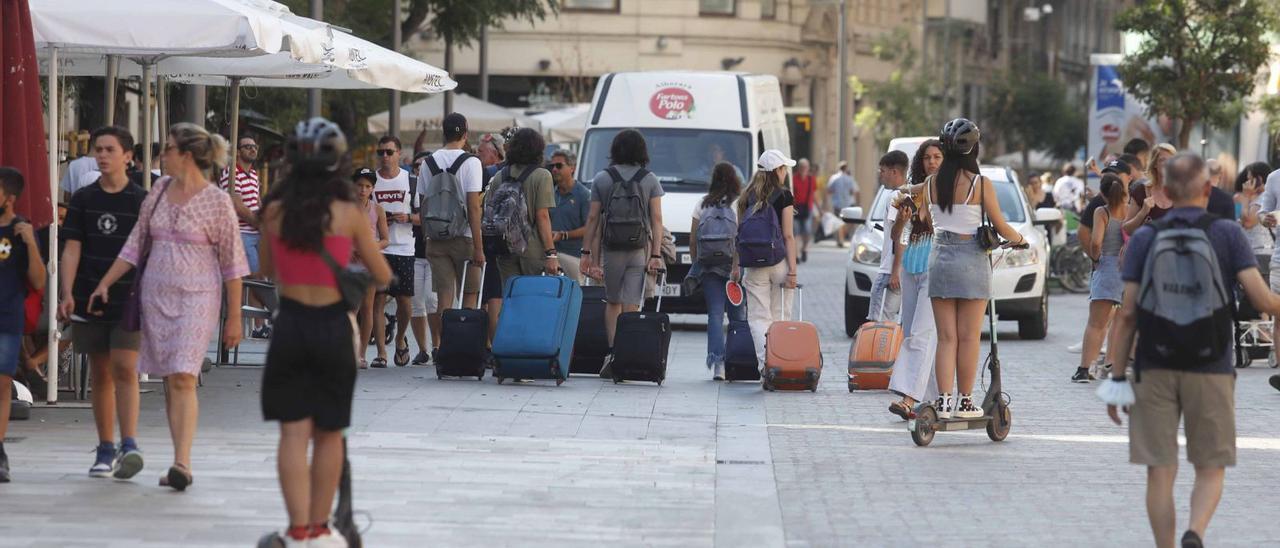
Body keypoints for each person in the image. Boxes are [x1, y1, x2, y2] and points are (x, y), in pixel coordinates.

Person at [1100, 152, 1280, 548]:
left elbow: (1127, 315)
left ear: (1163, 189)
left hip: (1155, 365)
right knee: (1211, 465)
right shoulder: (1227, 234)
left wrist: (1116, 380)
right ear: (1207, 188)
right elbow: (1263, 300)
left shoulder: (1146, 238)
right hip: (1211, 364)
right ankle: (1195, 532)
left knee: (1159, 472)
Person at [256, 118, 392, 547]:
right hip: (334, 325)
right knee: (330, 431)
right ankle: (319, 529)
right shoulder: (350, 213)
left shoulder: (275, 212)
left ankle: (296, 530)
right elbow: (383, 274)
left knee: (293, 432)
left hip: (292, 325)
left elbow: (267, 271)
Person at [90, 122, 248, 491]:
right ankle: (177, 457)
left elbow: (234, 264)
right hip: (156, 298)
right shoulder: (159, 190)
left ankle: (183, 462)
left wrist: (236, 317)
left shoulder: (217, 201)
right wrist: (105, 283)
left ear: (187, 155)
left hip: (198, 298)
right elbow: (135, 244)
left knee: (182, 375)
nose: (163, 155)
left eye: (168, 149)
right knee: (170, 378)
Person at [58, 126, 148, 479]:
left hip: (128, 297)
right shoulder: (83, 199)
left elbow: (144, 250)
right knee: (99, 372)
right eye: (98, 149)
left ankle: (130, 443)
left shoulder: (140, 199)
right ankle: (105, 446)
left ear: (128, 155)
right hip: (87, 293)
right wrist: (66, 292)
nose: (102, 155)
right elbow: (72, 247)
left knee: (125, 366)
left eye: (110, 149)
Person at [924, 119, 1024, 419]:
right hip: (971, 260)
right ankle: (966, 401)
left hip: (940, 257)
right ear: (973, 149)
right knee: (968, 337)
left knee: (946, 338)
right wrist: (1020, 239)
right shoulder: (980, 185)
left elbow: (932, 224)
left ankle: (942, 401)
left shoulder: (931, 183)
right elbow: (1001, 225)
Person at [580, 129, 665, 377]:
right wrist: (656, 254)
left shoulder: (602, 178)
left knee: (613, 301)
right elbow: (657, 219)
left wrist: (587, 253)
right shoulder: (650, 179)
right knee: (631, 303)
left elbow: (593, 218)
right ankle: (629, 352)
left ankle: (612, 351)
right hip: (638, 249)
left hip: (611, 249)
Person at [885, 139, 942, 419]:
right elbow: (899, 237)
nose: (932, 162)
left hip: (937, 270)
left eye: (937, 157)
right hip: (911, 268)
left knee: (922, 333)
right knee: (913, 334)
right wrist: (902, 219)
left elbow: (946, 231)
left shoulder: (948, 192)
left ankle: (908, 398)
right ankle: (932, 401)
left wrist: (926, 212)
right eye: (927, 157)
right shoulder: (909, 194)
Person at [0, 167, 47, 483]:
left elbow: (38, 280)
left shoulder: (20, 230)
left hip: (7, 317)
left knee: (2, 384)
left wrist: (30, 244)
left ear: (10, 197)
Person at [419, 113, 485, 333]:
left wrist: (427, 237)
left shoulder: (428, 162)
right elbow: (474, 207)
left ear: (443, 133)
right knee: (469, 295)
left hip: (436, 239)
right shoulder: (471, 162)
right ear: (465, 134)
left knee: (444, 297)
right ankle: (463, 345)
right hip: (464, 237)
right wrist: (479, 247)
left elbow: (423, 203)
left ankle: (445, 346)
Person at [736, 150, 799, 368]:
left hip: (753, 265)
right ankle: (780, 364)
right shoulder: (784, 196)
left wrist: (736, 266)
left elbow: (738, 234)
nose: (785, 173)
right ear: (778, 171)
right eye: (784, 169)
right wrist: (793, 270)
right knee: (780, 315)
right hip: (779, 262)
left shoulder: (745, 197)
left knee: (758, 317)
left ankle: (766, 366)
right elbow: (789, 235)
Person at [1071, 174, 1128, 384]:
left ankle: (1084, 369)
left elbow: (1095, 242)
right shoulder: (1131, 209)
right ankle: (1114, 366)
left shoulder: (1102, 212)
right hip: (1129, 270)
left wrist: (1095, 258)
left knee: (1096, 324)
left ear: (1103, 194)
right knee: (1121, 322)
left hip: (1108, 269)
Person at [689, 163, 743, 380]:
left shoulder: (702, 204)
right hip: (734, 268)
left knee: (715, 315)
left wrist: (697, 264)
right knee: (738, 316)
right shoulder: (739, 204)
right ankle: (738, 359)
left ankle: (718, 363)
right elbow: (741, 238)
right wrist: (737, 266)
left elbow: (693, 239)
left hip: (710, 267)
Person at [485, 128, 559, 284]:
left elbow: (489, 211)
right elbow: (542, 216)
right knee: (532, 297)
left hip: (504, 247)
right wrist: (551, 253)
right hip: (532, 249)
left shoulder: (500, 176)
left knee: (511, 296)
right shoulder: (542, 175)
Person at [369, 135, 416, 368]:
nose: (385, 157)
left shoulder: (411, 180)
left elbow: (423, 217)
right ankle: (380, 353)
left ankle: (399, 339)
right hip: (378, 248)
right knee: (377, 300)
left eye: (389, 152)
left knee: (405, 302)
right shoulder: (371, 182)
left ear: (399, 153)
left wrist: (407, 217)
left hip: (405, 247)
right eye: (381, 153)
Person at [219, 134, 269, 339]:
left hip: (255, 232)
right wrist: (260, 224)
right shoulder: (230, 173)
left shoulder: (254, 174)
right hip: (240, 232)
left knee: (262, 276)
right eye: (247, 146)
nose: (252, 149)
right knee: (256, 276)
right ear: (238, 152)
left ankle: (261, 324)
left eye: (254, 146)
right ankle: (259, 325)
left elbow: (256, 201)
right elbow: (237, 205)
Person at [351, 168, 390, 369]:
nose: (363, 190)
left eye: (367, 186)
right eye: (359, 185)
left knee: (367, 308)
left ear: (373, 188)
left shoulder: (378, 210)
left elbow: (385, 239)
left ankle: (361, 353)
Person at [866, 151, 909, 323]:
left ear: (894, 172)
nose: (880, 176)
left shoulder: (895, 197)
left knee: (876, 320)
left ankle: (877, 351)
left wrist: (894, 271)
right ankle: (889, 350)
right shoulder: (909, 194)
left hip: (889, 270)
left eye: (882, 171)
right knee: (890, 320)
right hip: (899, 269)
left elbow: (898, 235)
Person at [407, 157, 440, 366]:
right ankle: (422, 349)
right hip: (413, 252)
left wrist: (410, 218)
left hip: (435, 253)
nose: (419, 169)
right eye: (416, 166)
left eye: (423, 166)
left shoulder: (438, 189)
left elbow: (429, 217)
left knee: (433, 301)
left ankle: (438, 345)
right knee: (415, 304)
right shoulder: (409, 190)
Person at [549, 149, 589, 282]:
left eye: (559, 166)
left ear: (572, 168)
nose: (554, 169)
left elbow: (589, 227)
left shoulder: (583, 195)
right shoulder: (550, 193)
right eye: (552, 166)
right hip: (551, 257)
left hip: (574, 256)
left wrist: (564, 235)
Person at [1125, 143, 1177, 234]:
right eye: (1162, 160)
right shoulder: (1141, 191)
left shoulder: (1183, 192)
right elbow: (1127, 229)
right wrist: (1143, 212)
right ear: (1155, 164)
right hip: (1148, 247)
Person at [791, 158, 817, 263]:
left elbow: (814, 195)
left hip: (807, 208)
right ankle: (796, 255)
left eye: (805, 167)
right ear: (798, 168)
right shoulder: (793, 179)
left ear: (808, 168)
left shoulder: (812, 179)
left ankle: (805, 249)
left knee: (807, 231)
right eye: (802, 167)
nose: (803, 169)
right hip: (795, 209)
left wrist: (819, 209)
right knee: (796, 232)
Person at [826, 162, 856, 247]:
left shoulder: (834, 178)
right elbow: (851, 191)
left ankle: (840, 239)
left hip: (837, 203)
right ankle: (841, 238)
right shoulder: (849, 178)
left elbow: (829, 190)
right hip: (847, 203)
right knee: (845, 222)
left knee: (838, 221)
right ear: (846, 168)